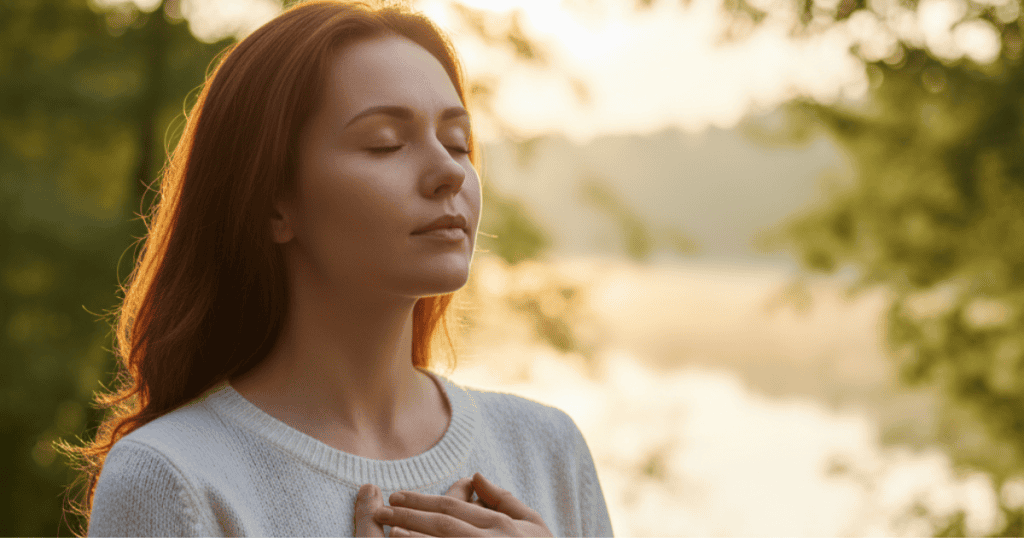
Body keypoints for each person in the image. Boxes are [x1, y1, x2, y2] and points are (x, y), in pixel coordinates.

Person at [57, 0, 614, 536]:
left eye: (457, 142)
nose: (449, 172)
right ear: (274, 202)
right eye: (386, 144)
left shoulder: (548, 449)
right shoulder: (173, 479)